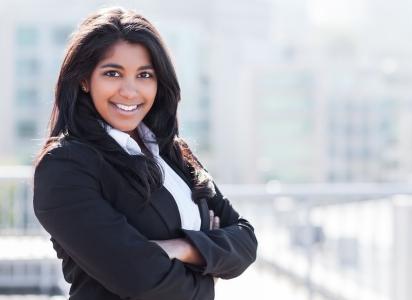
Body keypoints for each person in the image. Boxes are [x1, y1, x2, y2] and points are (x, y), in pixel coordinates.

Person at [32, 6, 257, 300]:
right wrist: (209, 266)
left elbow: (245, 240)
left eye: (144, 75)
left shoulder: (173, 153)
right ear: (85, 80)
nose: (130, 91)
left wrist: (183, 248)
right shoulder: (65, 166)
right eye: (112, 73)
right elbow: (141, 280)